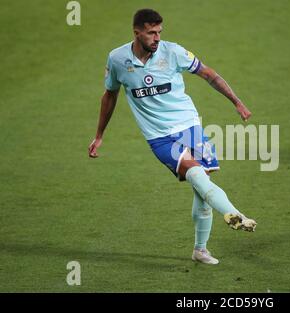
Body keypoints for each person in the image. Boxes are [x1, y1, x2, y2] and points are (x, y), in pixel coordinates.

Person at [88, 8, 257, 265]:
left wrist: (236, 101)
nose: (157, 38)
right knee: (196, 175)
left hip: (190, 125)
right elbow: (109, 95)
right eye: (151, 33)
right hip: (159, 137)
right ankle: (234, 214)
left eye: (159, 32)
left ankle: (200, 250)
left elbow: (208, 74)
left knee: (202, 189)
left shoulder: (173, 52)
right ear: (137, 33)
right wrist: (99, 135)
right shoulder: (117, 59)